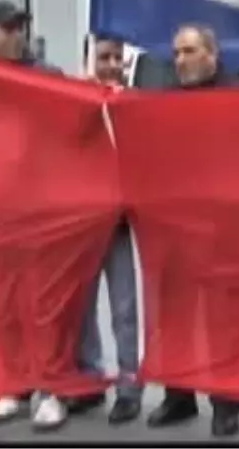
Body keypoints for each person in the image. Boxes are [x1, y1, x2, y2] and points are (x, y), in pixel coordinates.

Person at [140, 24, 239, 437]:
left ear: (213, 54)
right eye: (176, 52)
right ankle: (178, 396)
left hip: (224, 230)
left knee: (224, 322)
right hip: (174, 230)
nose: (181, 60)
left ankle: (225, 402)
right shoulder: (164, 102)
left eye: (189, 51)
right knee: (175, 318)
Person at [0, 0, 77, 432]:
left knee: (44, 302)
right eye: (9, 27)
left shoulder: (46, 76)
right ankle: (14, 383)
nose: (18, 34)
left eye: (21, 26)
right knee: (4, 302)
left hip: (38, 206)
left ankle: (51, 388)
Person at [76, 34, 144, 426]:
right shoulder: (73, 98)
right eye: (104, 57)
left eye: (118, 57)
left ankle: (130, 387)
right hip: (83, 219)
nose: (112, 64)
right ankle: (90, 377)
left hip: (118, 220)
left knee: (123, 307)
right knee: (83, 307)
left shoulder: (134, 101)